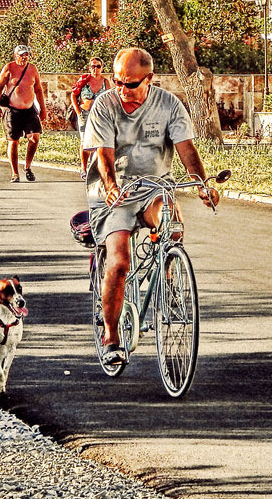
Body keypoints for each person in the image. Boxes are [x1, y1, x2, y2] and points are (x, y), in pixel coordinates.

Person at [83, 48, 220, 367]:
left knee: (172, 224)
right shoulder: (105, 104)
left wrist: (201, 184)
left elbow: (187, 149)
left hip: (155, 187)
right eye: (116, 81)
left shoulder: (169, 105)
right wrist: (112, 186)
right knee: (118, 263)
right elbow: (103, 153)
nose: (121, 89)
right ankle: (111, 336)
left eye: (130, 84)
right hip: (114, 190)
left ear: (150, 78)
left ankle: (169, 276)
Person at [0, 45, 46, 182]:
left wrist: (43, 109)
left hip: (29, 109)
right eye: (21, 55)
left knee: (34, 138)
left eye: (26, 55)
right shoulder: (9, 68)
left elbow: (38, 89)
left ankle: (27, 167)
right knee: (13, 141)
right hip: (12, 110)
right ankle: (15, 173)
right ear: (16, 55)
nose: (24, 57)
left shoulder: (32, 69)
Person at [70, 57, 110, 178]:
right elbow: (73, 95)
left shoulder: (105, 82)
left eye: (98, 66)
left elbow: (109, 98)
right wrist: (77, 111)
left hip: (99, 115)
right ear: (89, 68)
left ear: (102, 68)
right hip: (85, 113)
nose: (95, 69)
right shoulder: (84, 80)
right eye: (93, 66)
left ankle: (94, 167)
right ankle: (83, 168)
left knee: (98, 141)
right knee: (84, 141)